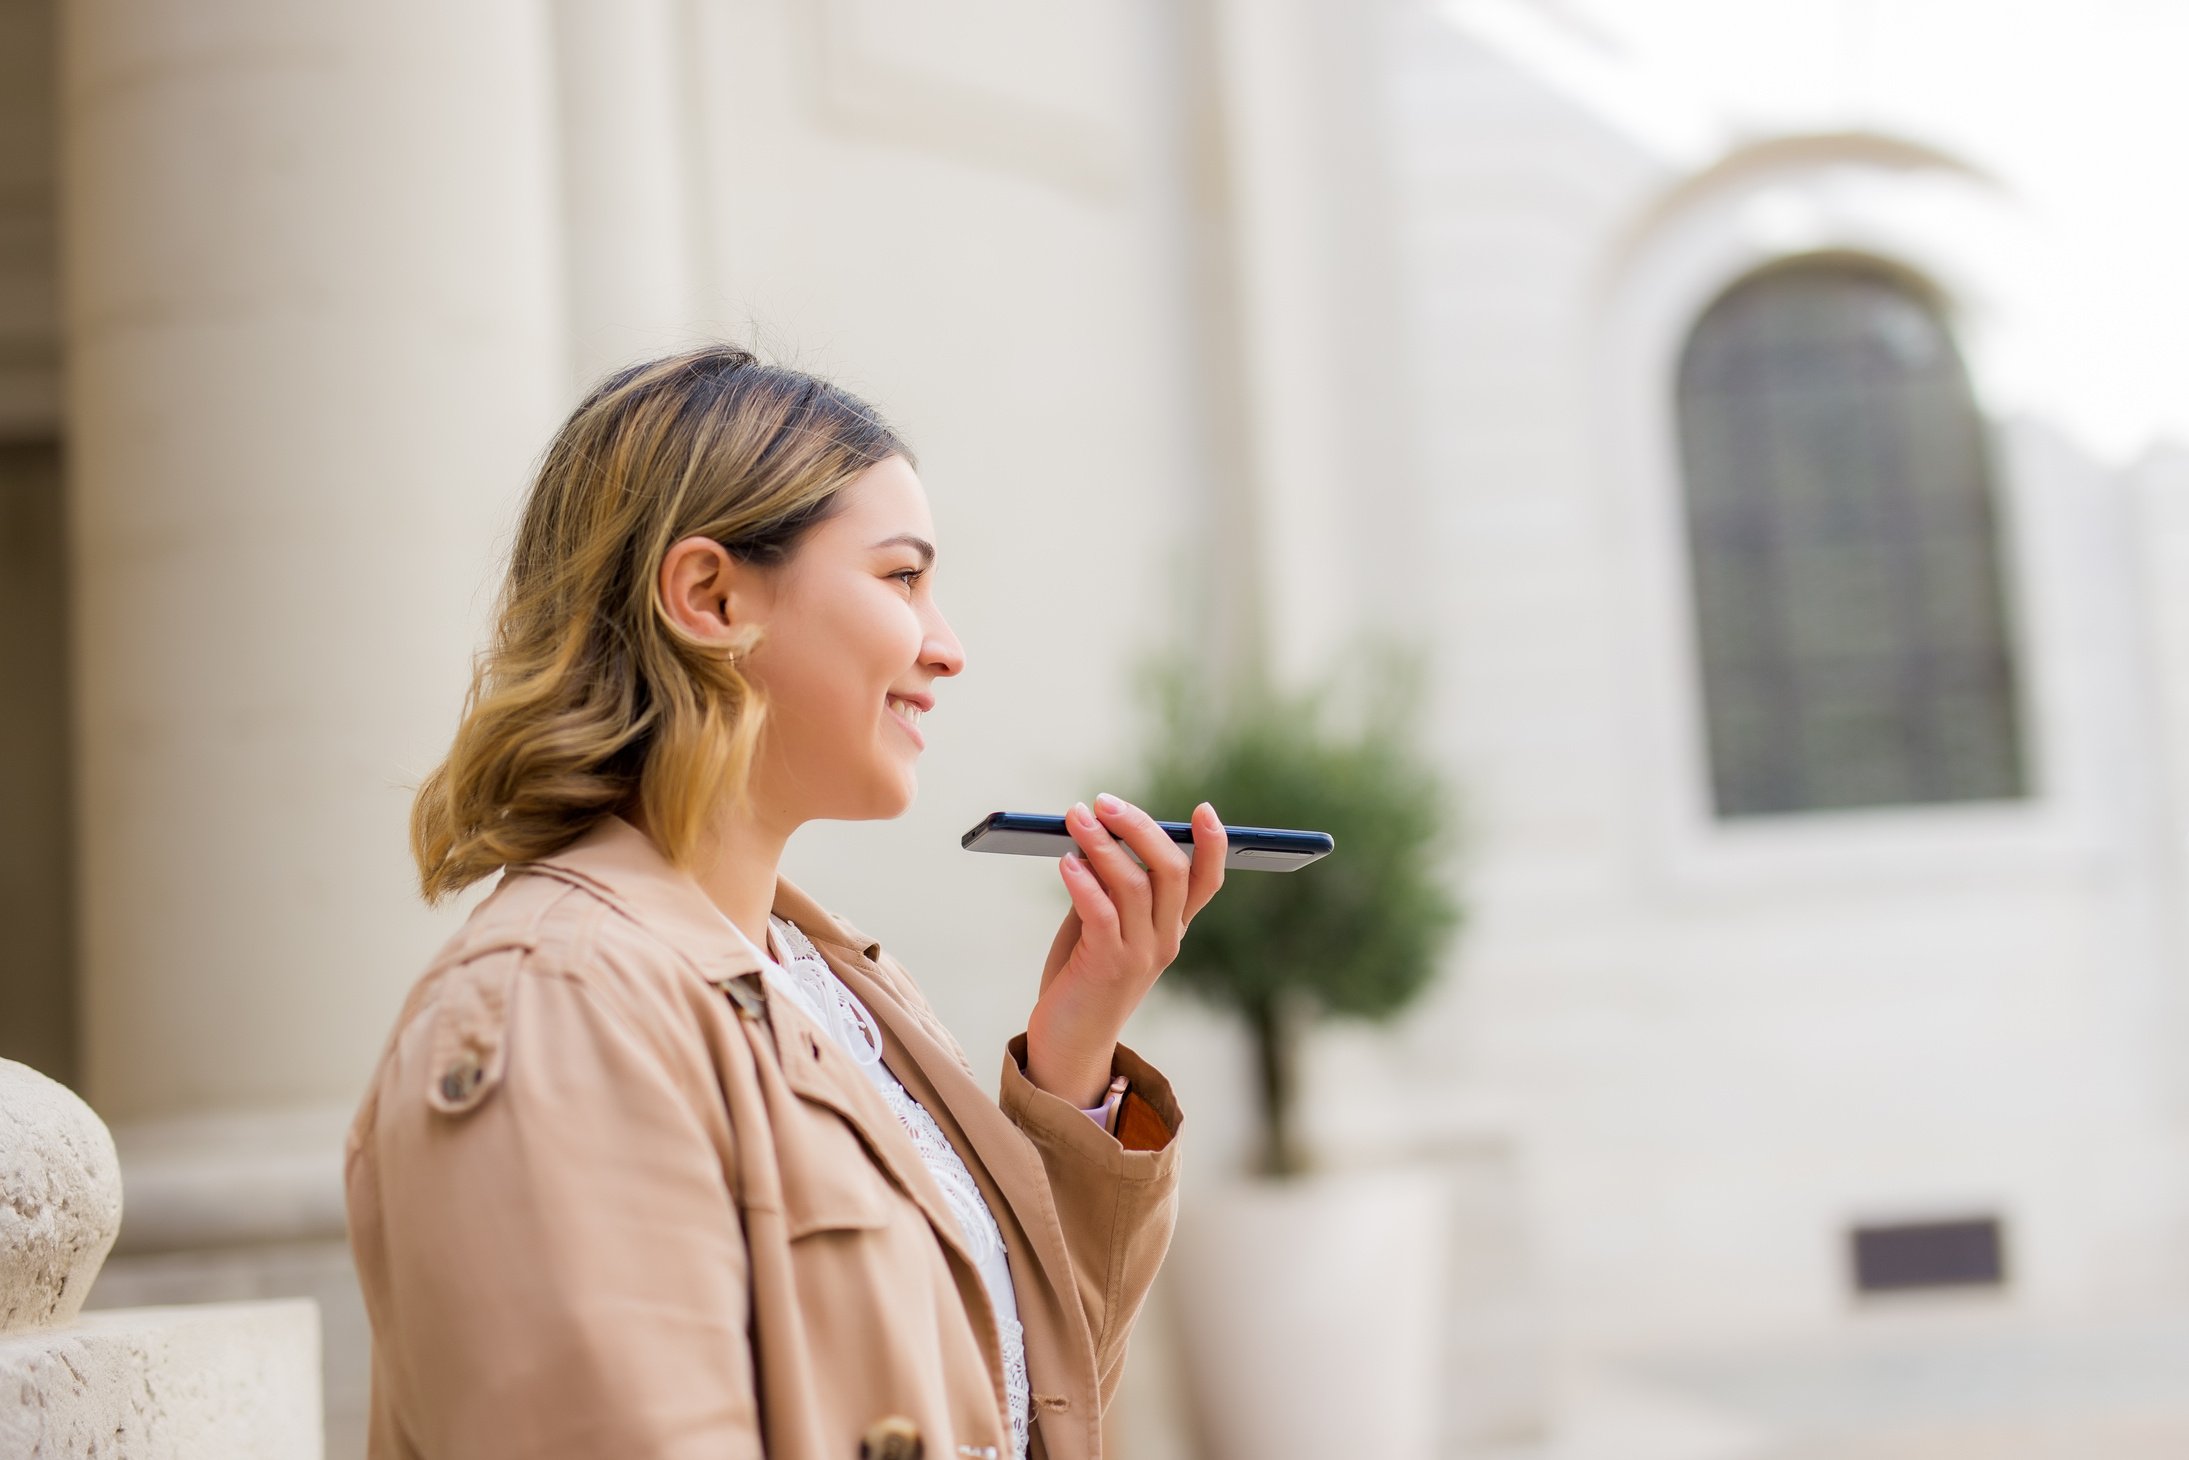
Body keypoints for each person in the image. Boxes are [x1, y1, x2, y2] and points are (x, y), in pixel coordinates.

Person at [342, 345, 1230, 1460]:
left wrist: (1069, 1059)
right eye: (902, 577)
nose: (945, 646)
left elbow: (1030, 1400)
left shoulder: (834, 985)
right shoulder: (554, 1006)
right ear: (710, 596)